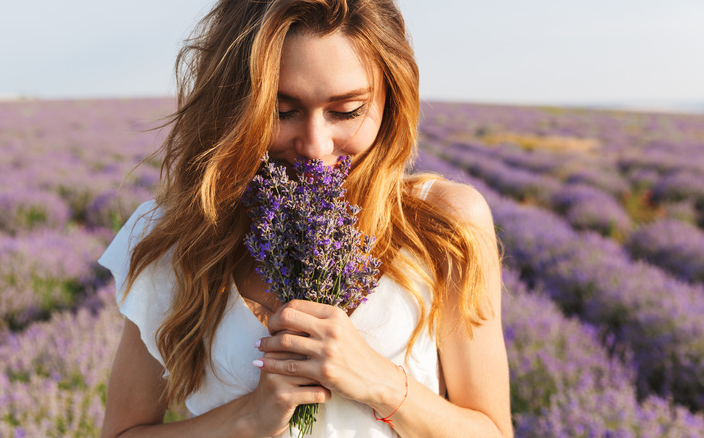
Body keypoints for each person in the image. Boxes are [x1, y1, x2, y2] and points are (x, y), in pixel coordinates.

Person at [98, 0, 512, 437]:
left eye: (346, 111)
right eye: (282, 111)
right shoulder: (178, 235)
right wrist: (249, 417)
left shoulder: (443, 224)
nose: (315, 147)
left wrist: (383, 384)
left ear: (391, 100)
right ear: (232, 107)